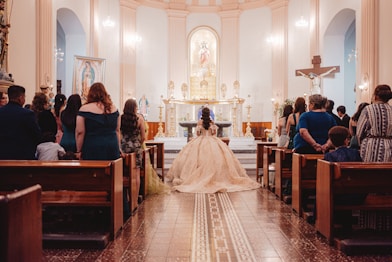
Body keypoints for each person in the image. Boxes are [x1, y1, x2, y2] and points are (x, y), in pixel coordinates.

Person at [166, 107, 260, 193]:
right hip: (212, 141)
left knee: (195, 159)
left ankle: (196, 177)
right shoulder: (212, 122)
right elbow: (214, 133)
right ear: (209, 113)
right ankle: (218, 177)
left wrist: (202, 134)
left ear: (202, 114)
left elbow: (198, 134)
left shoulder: (199, 122)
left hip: (201, 141)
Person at [75, 82, 121, 160]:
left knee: (93, 171)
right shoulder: (114, 109)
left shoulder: (84, 109)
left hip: (92, 145)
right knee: (112, 171)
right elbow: (117, 130)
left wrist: (78, 150)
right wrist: (119, 148)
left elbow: (80, 132)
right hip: (112, 146)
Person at [0, 85, 41, 159]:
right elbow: (36, 134)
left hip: (2, 156)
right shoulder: (27, 114)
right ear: (20, 98)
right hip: (23, 156)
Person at [356, 84, 392, 162]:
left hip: (370, 147)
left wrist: (361, 144)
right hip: (389, 146)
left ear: (375, 96)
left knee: (369, 173)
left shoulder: (368, 109)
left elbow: (359, 132)